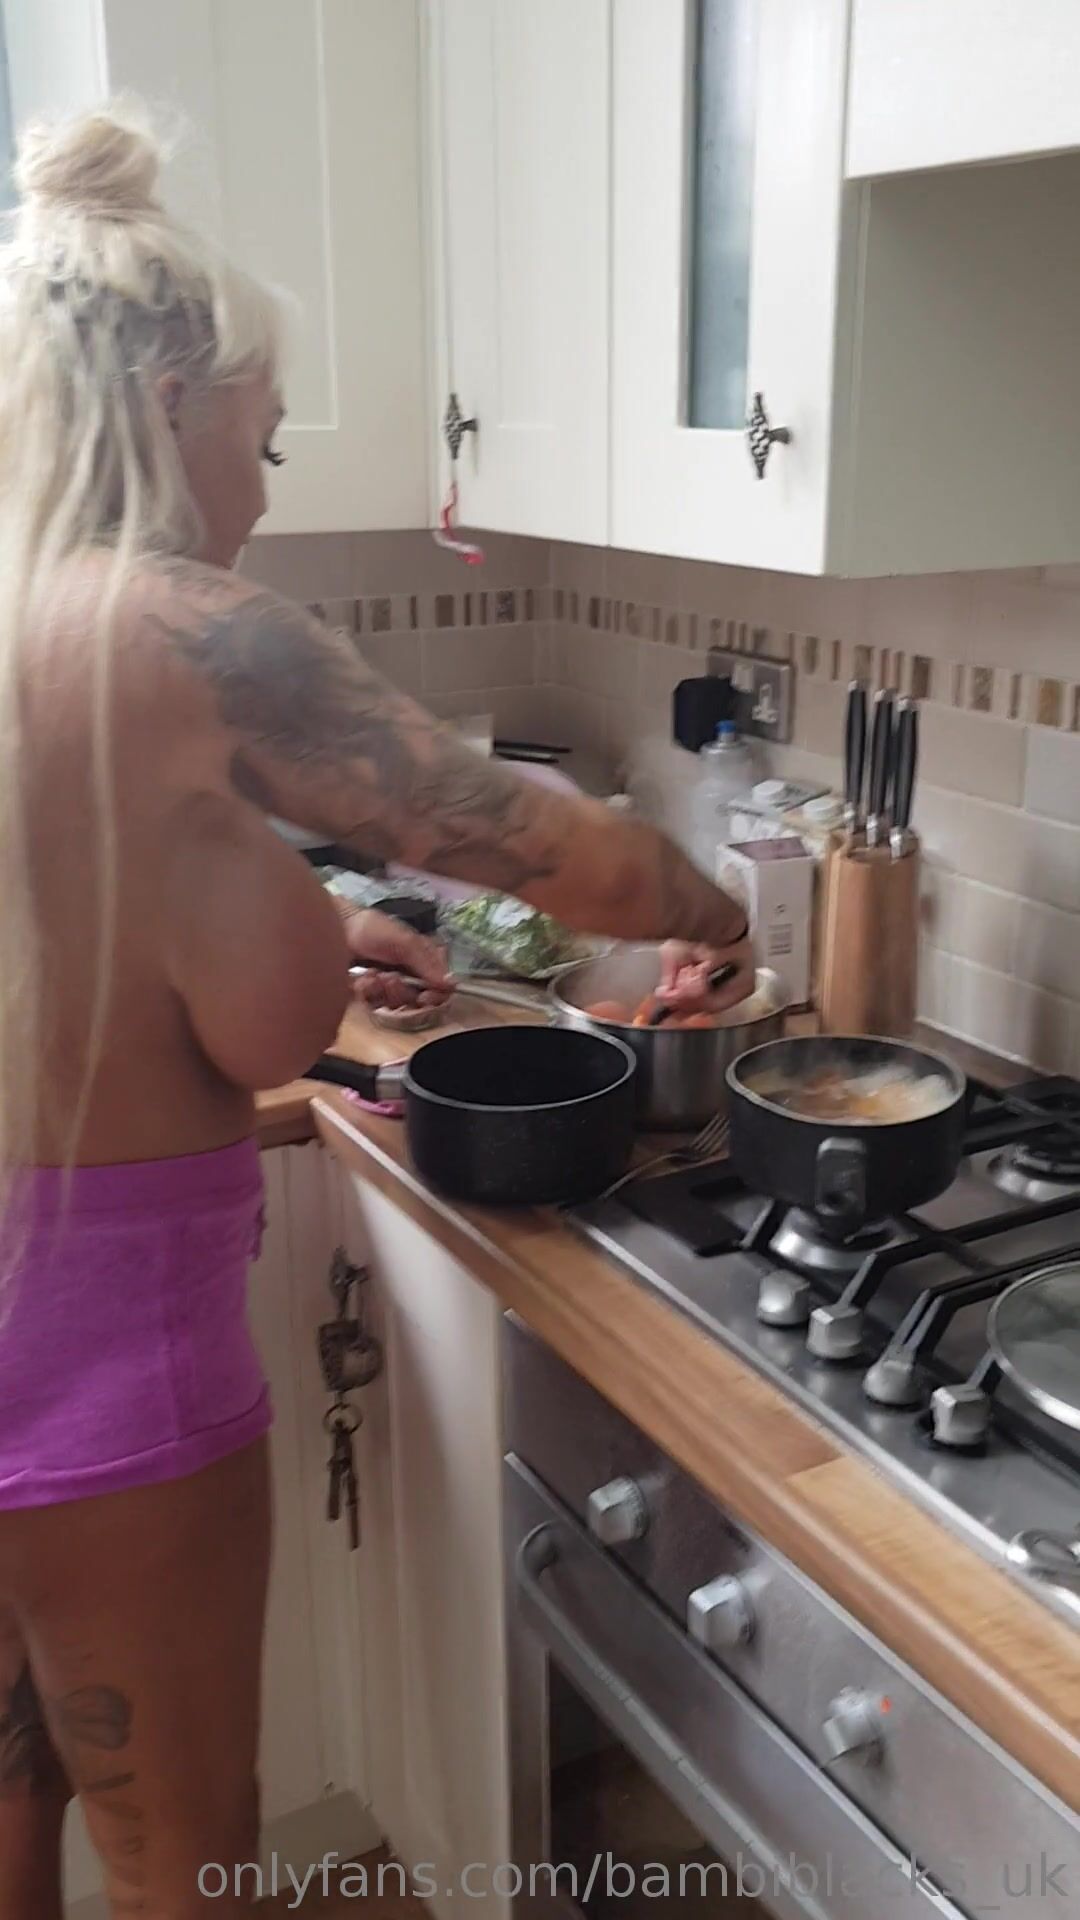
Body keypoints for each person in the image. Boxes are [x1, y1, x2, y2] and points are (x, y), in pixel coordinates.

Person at [0, 105, 751, 1919]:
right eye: (261, 436)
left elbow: (76, 913)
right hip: (99, 1326)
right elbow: (542, 847)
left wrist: (314, 918)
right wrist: (722, 908)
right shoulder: (184, 627)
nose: (261, 489)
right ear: (171, 400)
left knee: (12, 1806)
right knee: (184, 1852)